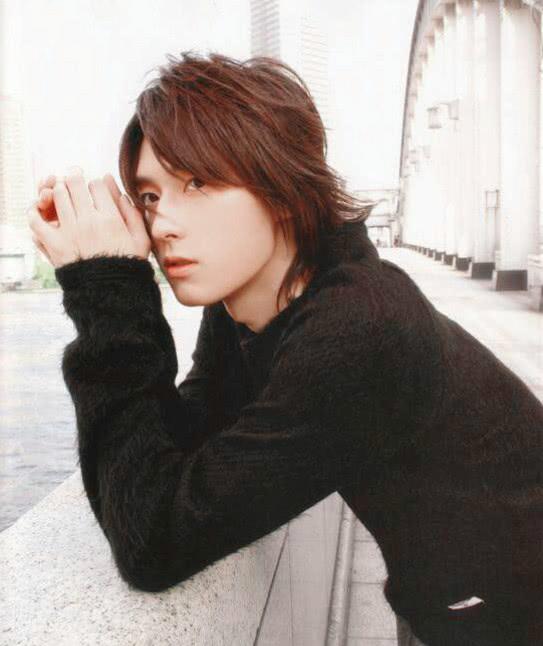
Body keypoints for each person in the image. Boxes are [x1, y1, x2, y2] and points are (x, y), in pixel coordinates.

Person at [27, 51, 543, 645]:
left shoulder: (357, 328)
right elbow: (186, 443)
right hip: (459, 605)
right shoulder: (258, 304)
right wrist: (109, 275)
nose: (162, 223)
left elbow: (154, 543)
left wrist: (108, 295)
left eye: (197, 182)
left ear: (282, 190)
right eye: (148, 196)